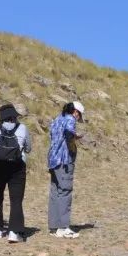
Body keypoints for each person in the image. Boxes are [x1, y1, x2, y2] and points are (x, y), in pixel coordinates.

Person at [0, 104, 31, 243]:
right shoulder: (23, 128)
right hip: (17, 167)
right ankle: (13, 231)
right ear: (14, 116)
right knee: (16, 200)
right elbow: (28, 148)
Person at [48, 100, 84, 237]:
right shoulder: (70, 119)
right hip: (64, 161)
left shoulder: (57, 119)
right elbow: (69, 135)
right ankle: (63, 227)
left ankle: (54, 227)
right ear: (76, 112)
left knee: (55, 192)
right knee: (65, 192)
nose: (78, 118)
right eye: (79, 115)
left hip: (53, 160)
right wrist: (75, 140)